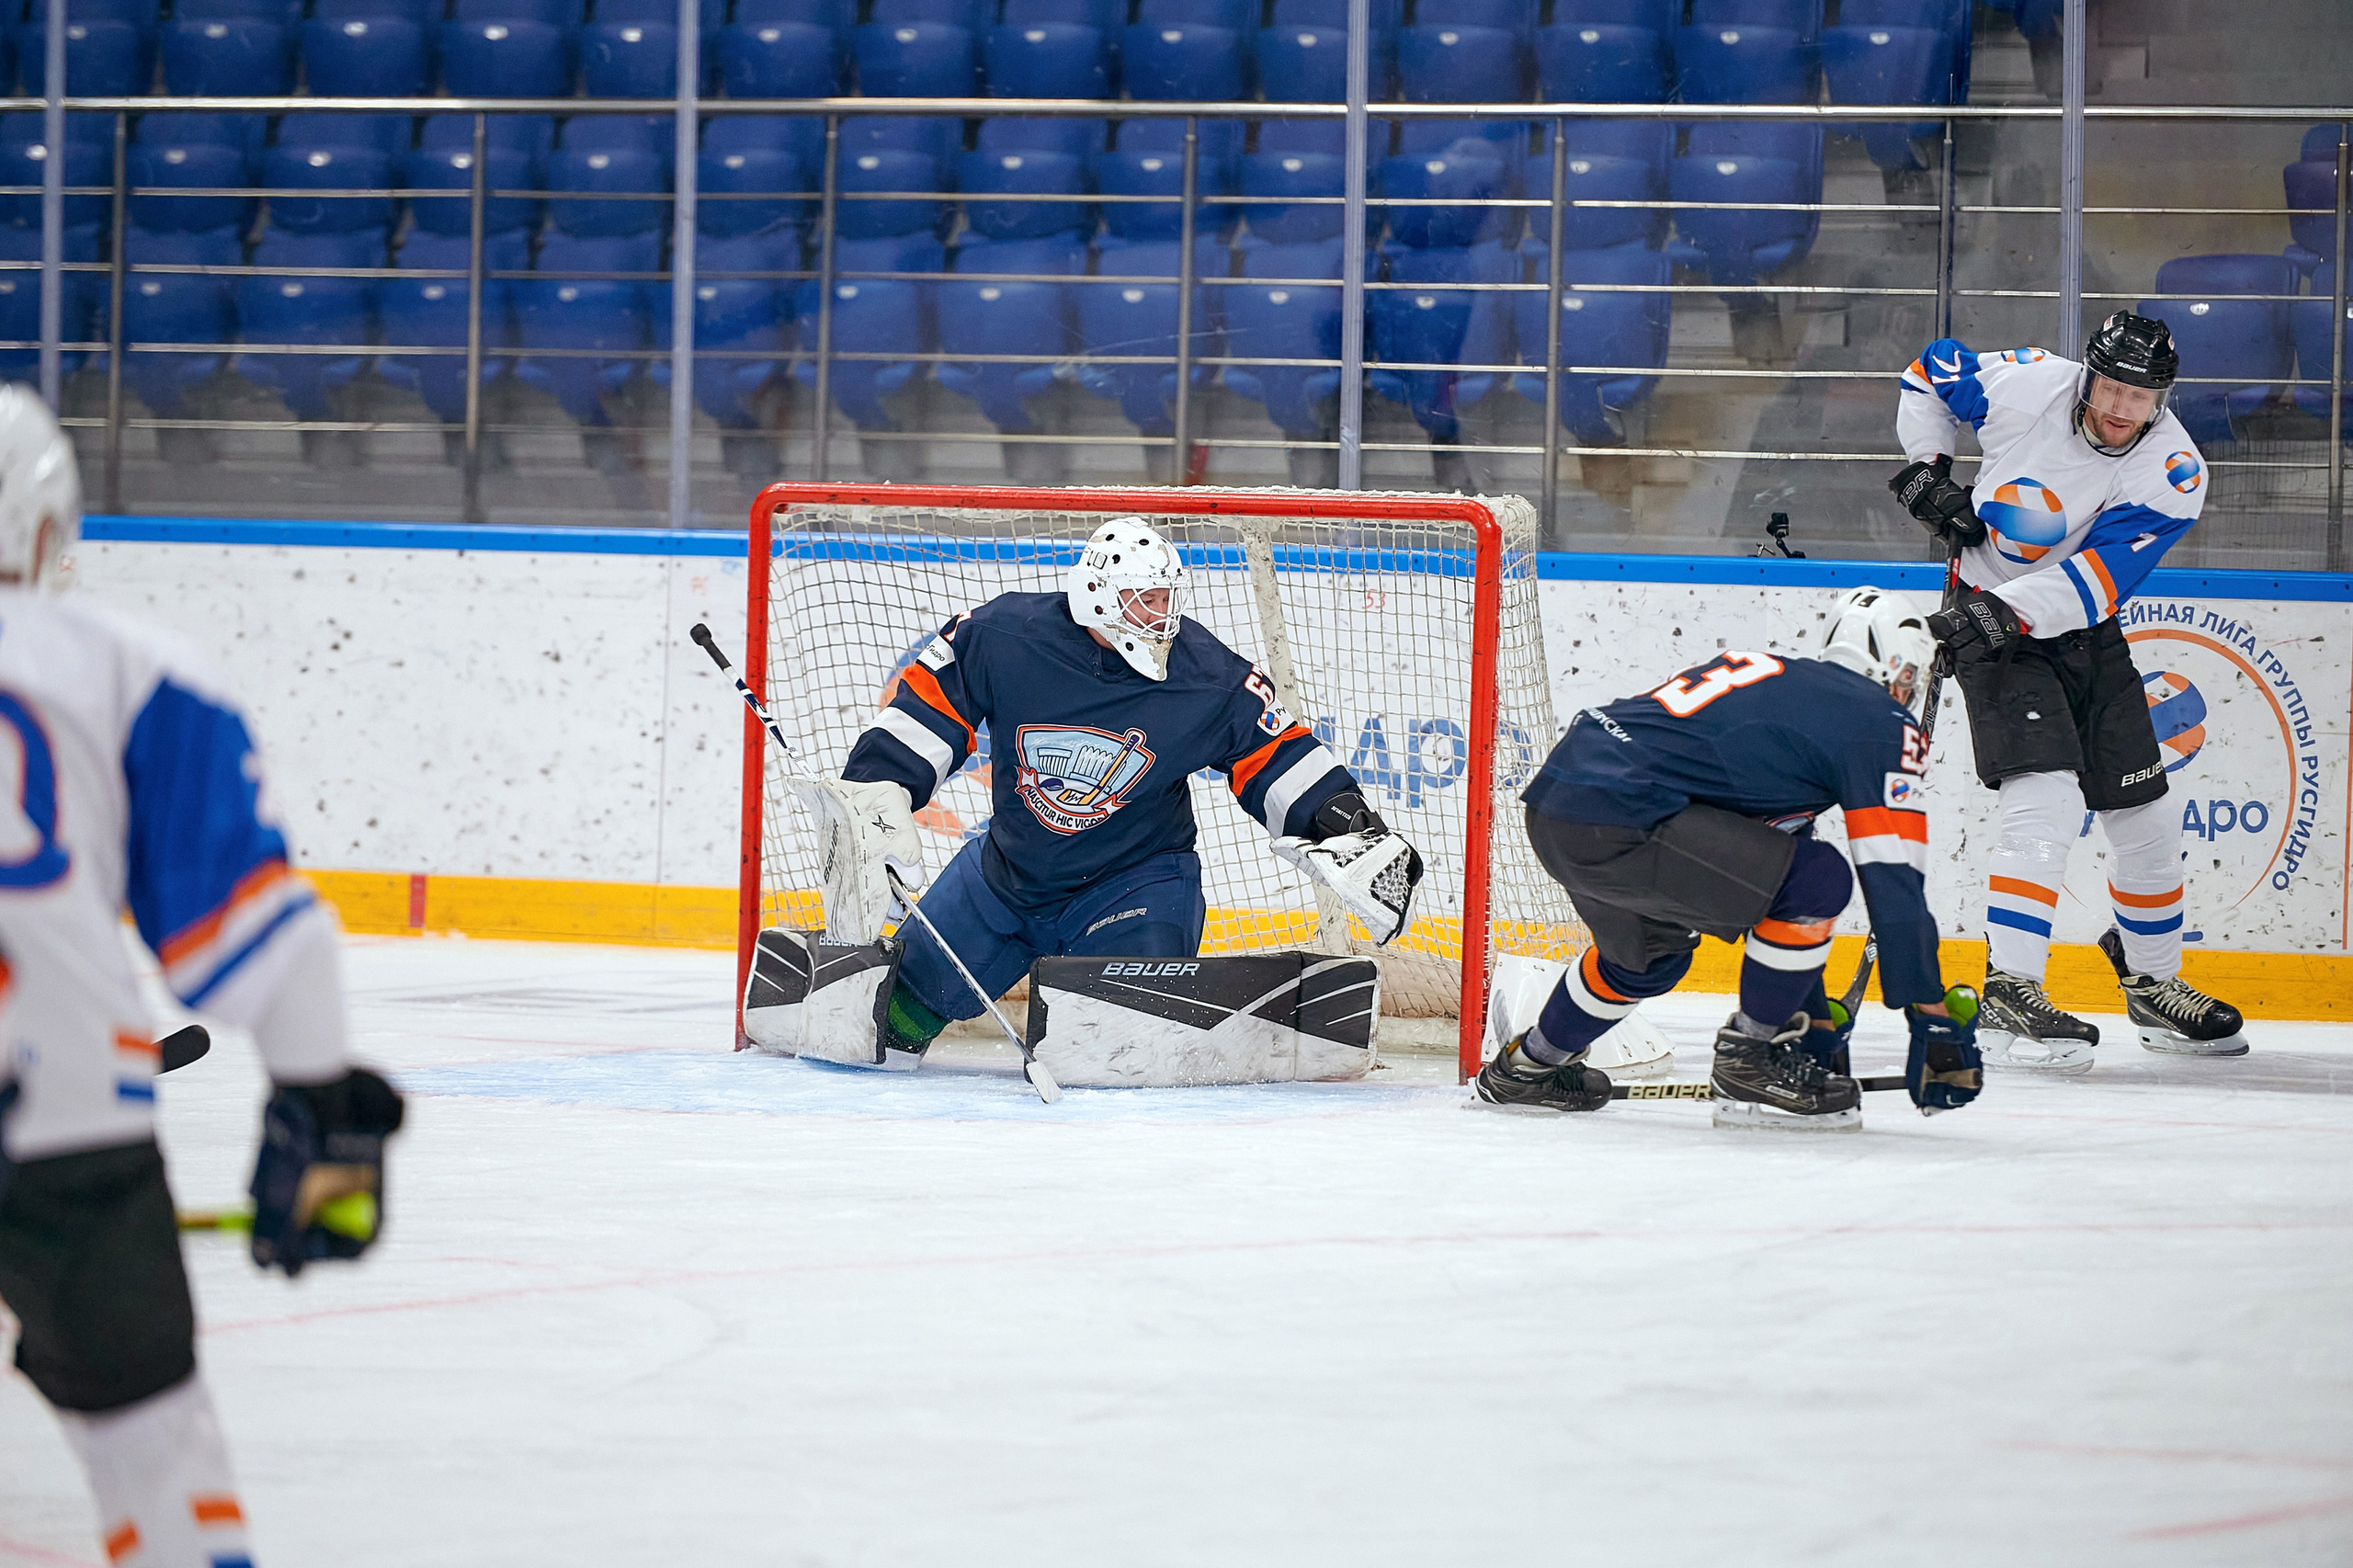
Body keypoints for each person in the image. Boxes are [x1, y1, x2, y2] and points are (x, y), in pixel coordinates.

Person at [0, 387, 404, 1568]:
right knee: (156, 1457)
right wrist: (321, 1110)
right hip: (66, 1115)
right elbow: (261, 942)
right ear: (47, 526)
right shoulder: (130, 669)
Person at [801, 516, 1425, 1065]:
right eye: (1144, 598)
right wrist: (879, 792)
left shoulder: (1204, 674)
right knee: (888, 1020)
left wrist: (1345, 822)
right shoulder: (1003, 637)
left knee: (1121, 1045)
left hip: (1135, 887)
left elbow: (1277, 753)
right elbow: (930, 709)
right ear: (1097, 594)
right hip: (1006, 875)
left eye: (1167, 597)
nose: (1162, 614)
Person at [1477, 587, 1983, 1129]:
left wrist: (1812, 1025)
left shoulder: (1778, 682)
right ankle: (1750, 1057)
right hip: (1626, 814)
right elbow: (1893, 879)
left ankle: (1528, 1066)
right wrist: (1930, 1015)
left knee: (1648, 959)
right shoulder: (1877, 720)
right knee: (1820, 877)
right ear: (1898, 665)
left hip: (1559, 804)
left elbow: (1774, 892)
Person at [1891, 312, 2248, 1071]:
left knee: (2147, 815)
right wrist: (1928, 469)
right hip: (1998, 635)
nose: (2121, 408)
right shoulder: (2029, 385)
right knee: (2045, 794)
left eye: (2140, 397)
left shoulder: (2172, 471)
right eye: (2111, 387)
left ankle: (2153, 983)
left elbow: (2098, 579)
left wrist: (1996, 610)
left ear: (2162, 399)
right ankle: (2009, 987)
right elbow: (1929, 373)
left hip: (2080, 630)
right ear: (2089, 376)